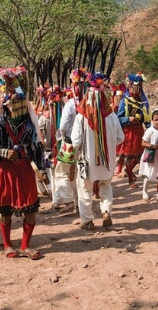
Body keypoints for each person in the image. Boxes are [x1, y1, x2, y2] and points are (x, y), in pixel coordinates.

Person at [0, 66, 45, 259]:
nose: (19, 106)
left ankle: (25, 246)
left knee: (31, 210)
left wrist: (41, 169)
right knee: (6, 211)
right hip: (5, 171)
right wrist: (4, 152)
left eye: (22, 102)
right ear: (7, 105)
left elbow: (37, 148)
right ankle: (7, 245)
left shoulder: (29, 126)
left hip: (24, 170)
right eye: (15, 102)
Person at [72, 72, 125, 230]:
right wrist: (108, 143)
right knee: (106, 186)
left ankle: (87, 220)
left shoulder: (81, 118)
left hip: (86, 162)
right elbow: (120, 138)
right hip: (107, 161)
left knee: (84, 189)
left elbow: (75, 141)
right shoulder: (112, 116)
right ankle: (106, 211)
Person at [53, 68, 86, 213]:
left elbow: (63, 125)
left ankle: (68, 201)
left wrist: (62, 137)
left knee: (62, 172)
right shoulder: (91, 103)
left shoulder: (71, 104)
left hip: (70, 143)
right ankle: (79, 203)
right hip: (86, 144)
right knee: (79, 172)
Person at [117, 73, 150, 189]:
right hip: (129, 131)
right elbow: (118, 117)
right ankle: (131, 179)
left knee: (140, 156)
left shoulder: (143, 101)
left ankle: (128, 170)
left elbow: (147, 116)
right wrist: (128, 118)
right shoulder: (124, 101)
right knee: (129, 156)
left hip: (139, 131)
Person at [139, 109, 158, 201]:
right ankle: (144, 191)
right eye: (155, 120)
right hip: (152, 155)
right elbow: (143, 143)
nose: (157, 122)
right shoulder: (150, 131)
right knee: (149, 174)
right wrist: (152, 146)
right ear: (152, 121)